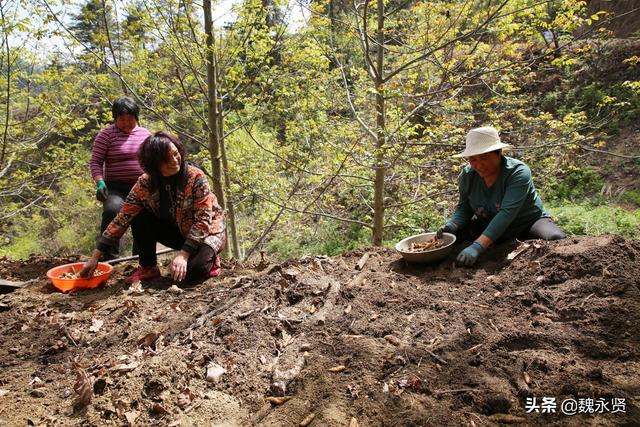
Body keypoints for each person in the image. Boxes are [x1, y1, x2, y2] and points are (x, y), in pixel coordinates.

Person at [81, 131, 226, 283]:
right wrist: (95, 257)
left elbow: (203, 220)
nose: (174, 161)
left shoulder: (195, 177)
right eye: (166, 159)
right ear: (154, 164)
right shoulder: (145, 183)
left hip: (208, 232)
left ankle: (209, 257)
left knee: (192, 274)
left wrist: (183, 254)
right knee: (138, 213)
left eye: (175, 154)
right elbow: (123, 218)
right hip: (177, 231)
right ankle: (148, 267)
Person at [437, 126, 565, 267]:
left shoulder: (518, 172)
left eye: (484, 157)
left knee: (556, 239)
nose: (479, 165)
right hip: (487, 222)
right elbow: (464, 207)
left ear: (498, 153)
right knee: (448, 239)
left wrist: (478, 246)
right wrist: (453, 225)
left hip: (527, 223)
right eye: (473, 159)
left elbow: (507, 213)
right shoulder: (468, 176)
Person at [90, 96, 151, 260]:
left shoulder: (145, 134)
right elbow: (96, 161)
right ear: (115, 118)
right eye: (121, 119)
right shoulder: (106, 135)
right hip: (116, 187)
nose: (126, 122)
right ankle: (109, 257)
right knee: (112, 211)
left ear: (136, 117)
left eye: (130, 118)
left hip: (142, 187)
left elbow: (153, 160)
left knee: (144, 216)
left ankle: (142, 258)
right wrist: (100, 182)